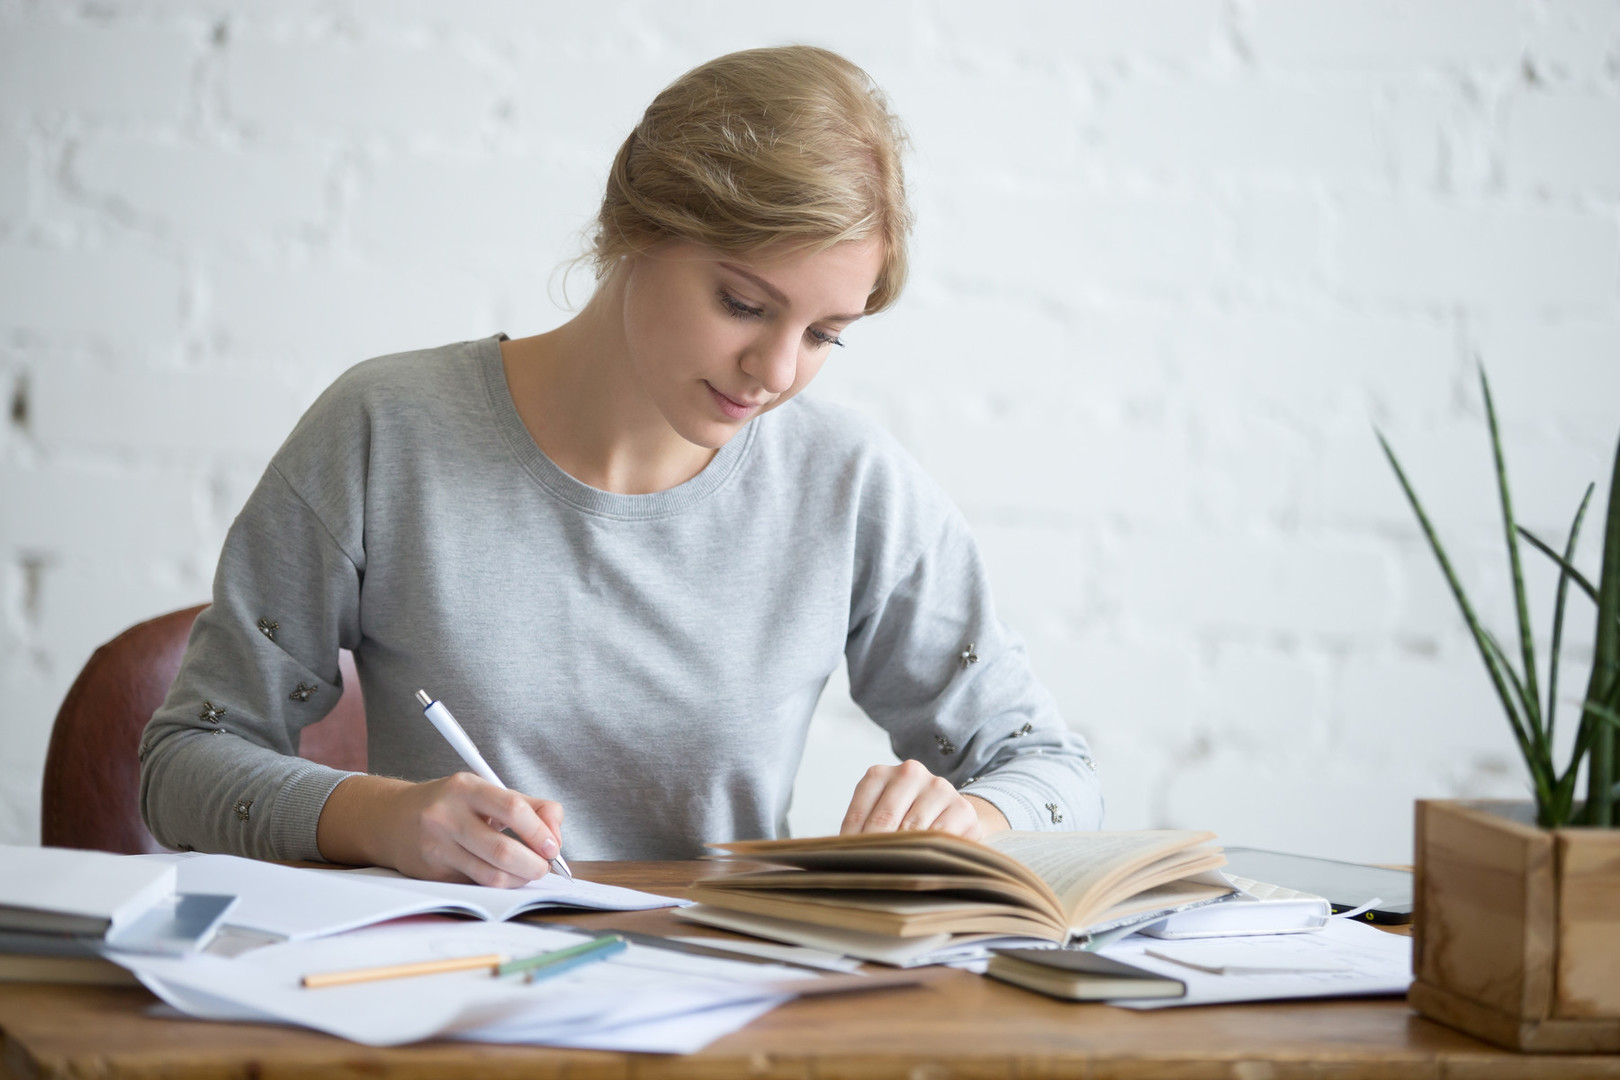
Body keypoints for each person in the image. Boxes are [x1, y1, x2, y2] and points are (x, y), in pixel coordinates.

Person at [139, 45, 1103, 887]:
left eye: (825, 336)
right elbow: (185, 763)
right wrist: (378, 819)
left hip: (733, 1005)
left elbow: (1053, 771)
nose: (774, 372)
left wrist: (972, 821)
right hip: (452, 999)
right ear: (636, 229)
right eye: (742, 303)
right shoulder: (386, 431)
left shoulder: (848, 486)